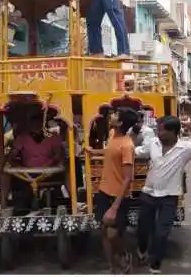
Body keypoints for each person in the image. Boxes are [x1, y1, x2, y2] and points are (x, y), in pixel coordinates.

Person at [134, 116, 191, 274]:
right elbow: (139, 152)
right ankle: (142, 248)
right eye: (158, 129)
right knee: (142, 229)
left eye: (162, 130)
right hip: (148, 193)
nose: (158, 133)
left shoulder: (184, 148)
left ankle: (155, 264)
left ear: (173, 132)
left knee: (162, 233)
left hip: (169, 197)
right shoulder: (153, 143)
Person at [86, 107, 138, 273]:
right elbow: (110, 153)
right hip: (103, 191)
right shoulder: (111, 136)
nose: (111, 116)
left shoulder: (127, 145)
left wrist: (115, 207)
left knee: (112, 234)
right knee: (104, 232)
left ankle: (123, 255)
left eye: (115, 115)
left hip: (117, 197)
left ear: (121, 122)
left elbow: (127, 178)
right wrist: (94, 151)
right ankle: (112, 267)